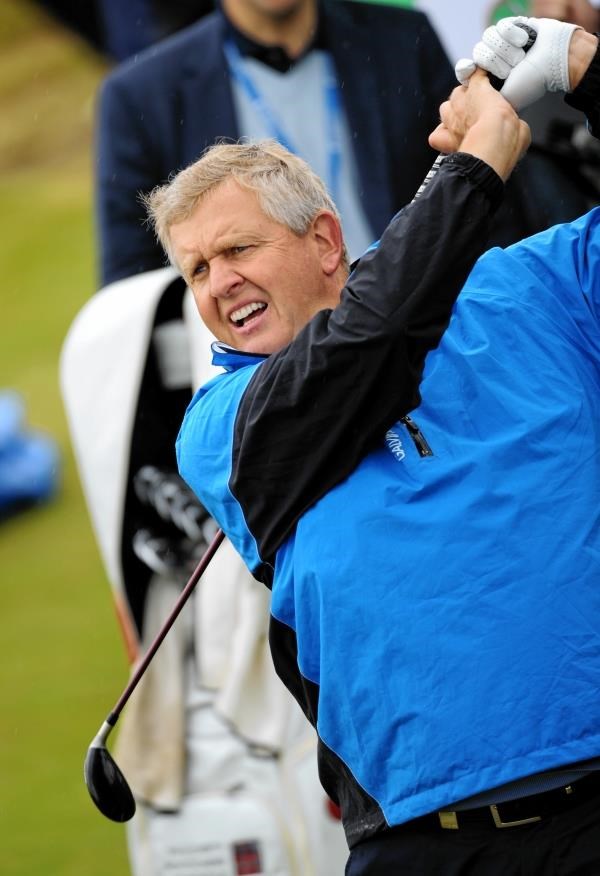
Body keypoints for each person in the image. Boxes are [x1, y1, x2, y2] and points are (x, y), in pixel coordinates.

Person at [144, 16, 600, 875]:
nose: (218, 284)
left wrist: (585, 70)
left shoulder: (530, 288)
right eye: (196, 270)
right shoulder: (222, 428)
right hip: (428, 847)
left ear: (323, 241)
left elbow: (393, 310)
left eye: (238, 248)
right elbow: (370, 343)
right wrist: (470, 174)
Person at [95, 0, 456, 285]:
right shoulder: (139, 96)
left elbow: (472, 195)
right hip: (264, 366)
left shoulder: (404, 41)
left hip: (419, 326)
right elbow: (131, 293)